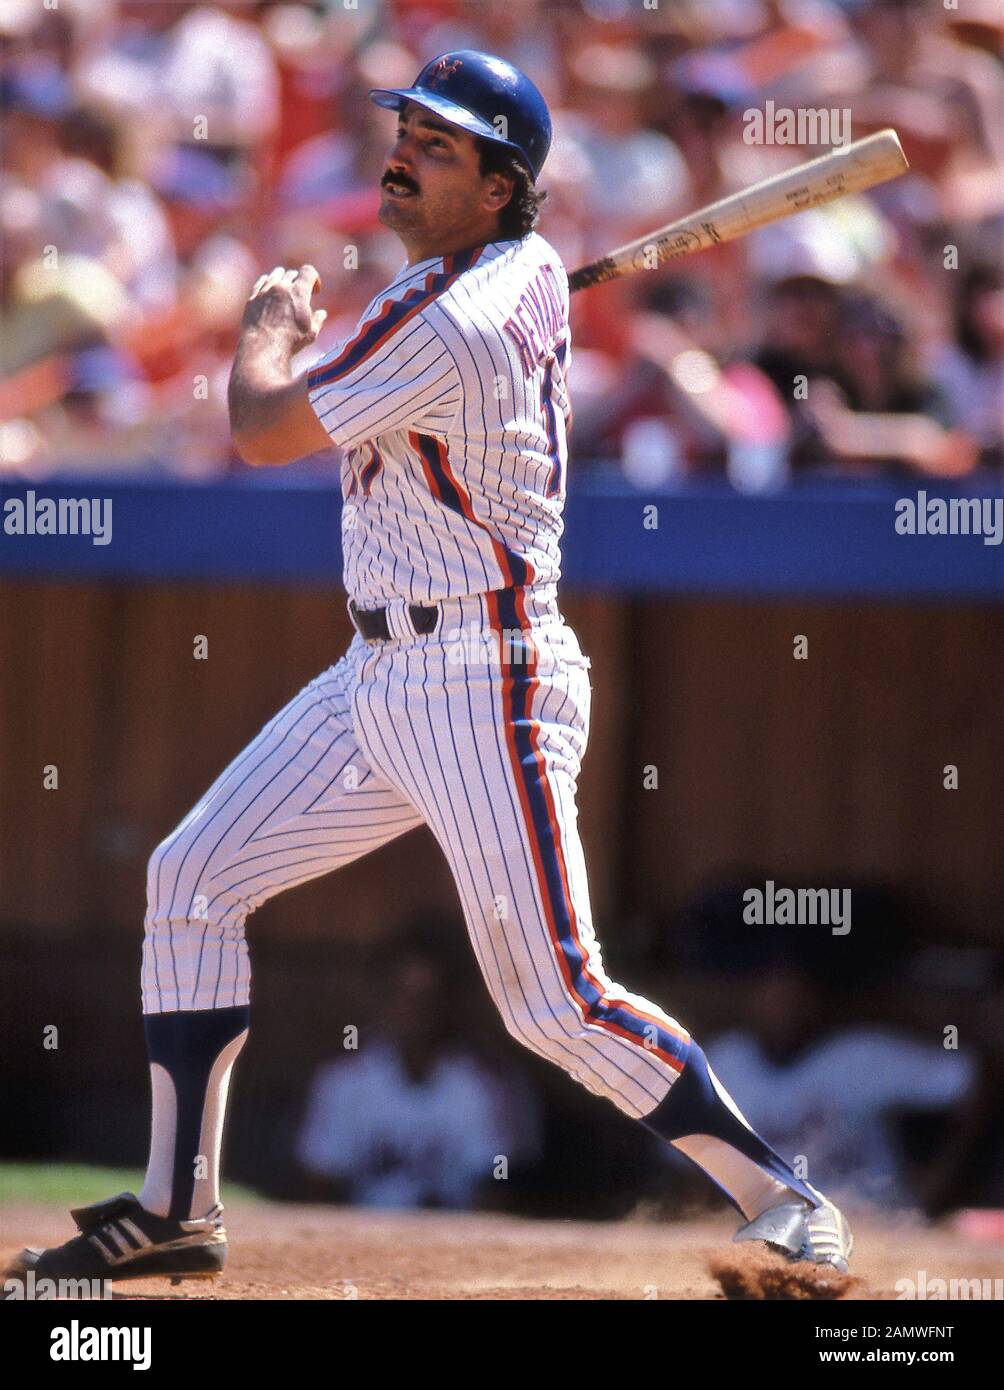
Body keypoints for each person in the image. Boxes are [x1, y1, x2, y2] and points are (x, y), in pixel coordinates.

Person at [8, 50, 852, 1287]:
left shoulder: (451, 311)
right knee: (191, 876)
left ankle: (782, 1195)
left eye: (442, 145)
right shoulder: (513, 281)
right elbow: (502, 298)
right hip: (379, 672)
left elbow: (259, 427)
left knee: (550, 1001)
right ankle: (177, 1205)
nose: (402, 152)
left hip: (480, 672)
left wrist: (269, 333)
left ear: (506, 187)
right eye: (406, 128)